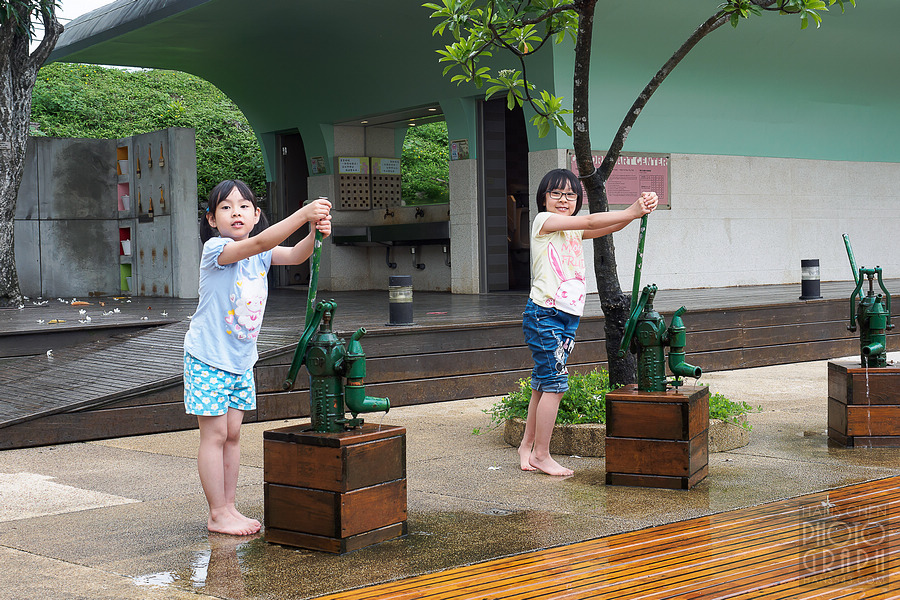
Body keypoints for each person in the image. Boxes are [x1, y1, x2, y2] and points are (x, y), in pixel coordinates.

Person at [183, 179, 332, 535]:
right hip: (207, 357)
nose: (236, 212)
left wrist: (315, 231)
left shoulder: (261, 254)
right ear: (211, 219)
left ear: (256, 214)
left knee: (233, 433)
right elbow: (264, 240)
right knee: (215, 434)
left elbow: (295, 255)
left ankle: (229, 508)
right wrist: (303, 213)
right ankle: (217, 512)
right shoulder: (216, 250)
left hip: (240, 359)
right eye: (226, 207)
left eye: (244, 206)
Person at [519, 168, 657, 476]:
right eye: (556, 194)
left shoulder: (571, 231)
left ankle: (527, 447)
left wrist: (637, 212)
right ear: (544, 198)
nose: (564, 200)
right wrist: (632, 209)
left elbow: (609, 227)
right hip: (545, 316)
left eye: (570, 194)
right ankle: (542, 454)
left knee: (543, 384)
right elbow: (593, 220)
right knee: (555, 385)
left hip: (565, 320)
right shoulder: (544, 222)